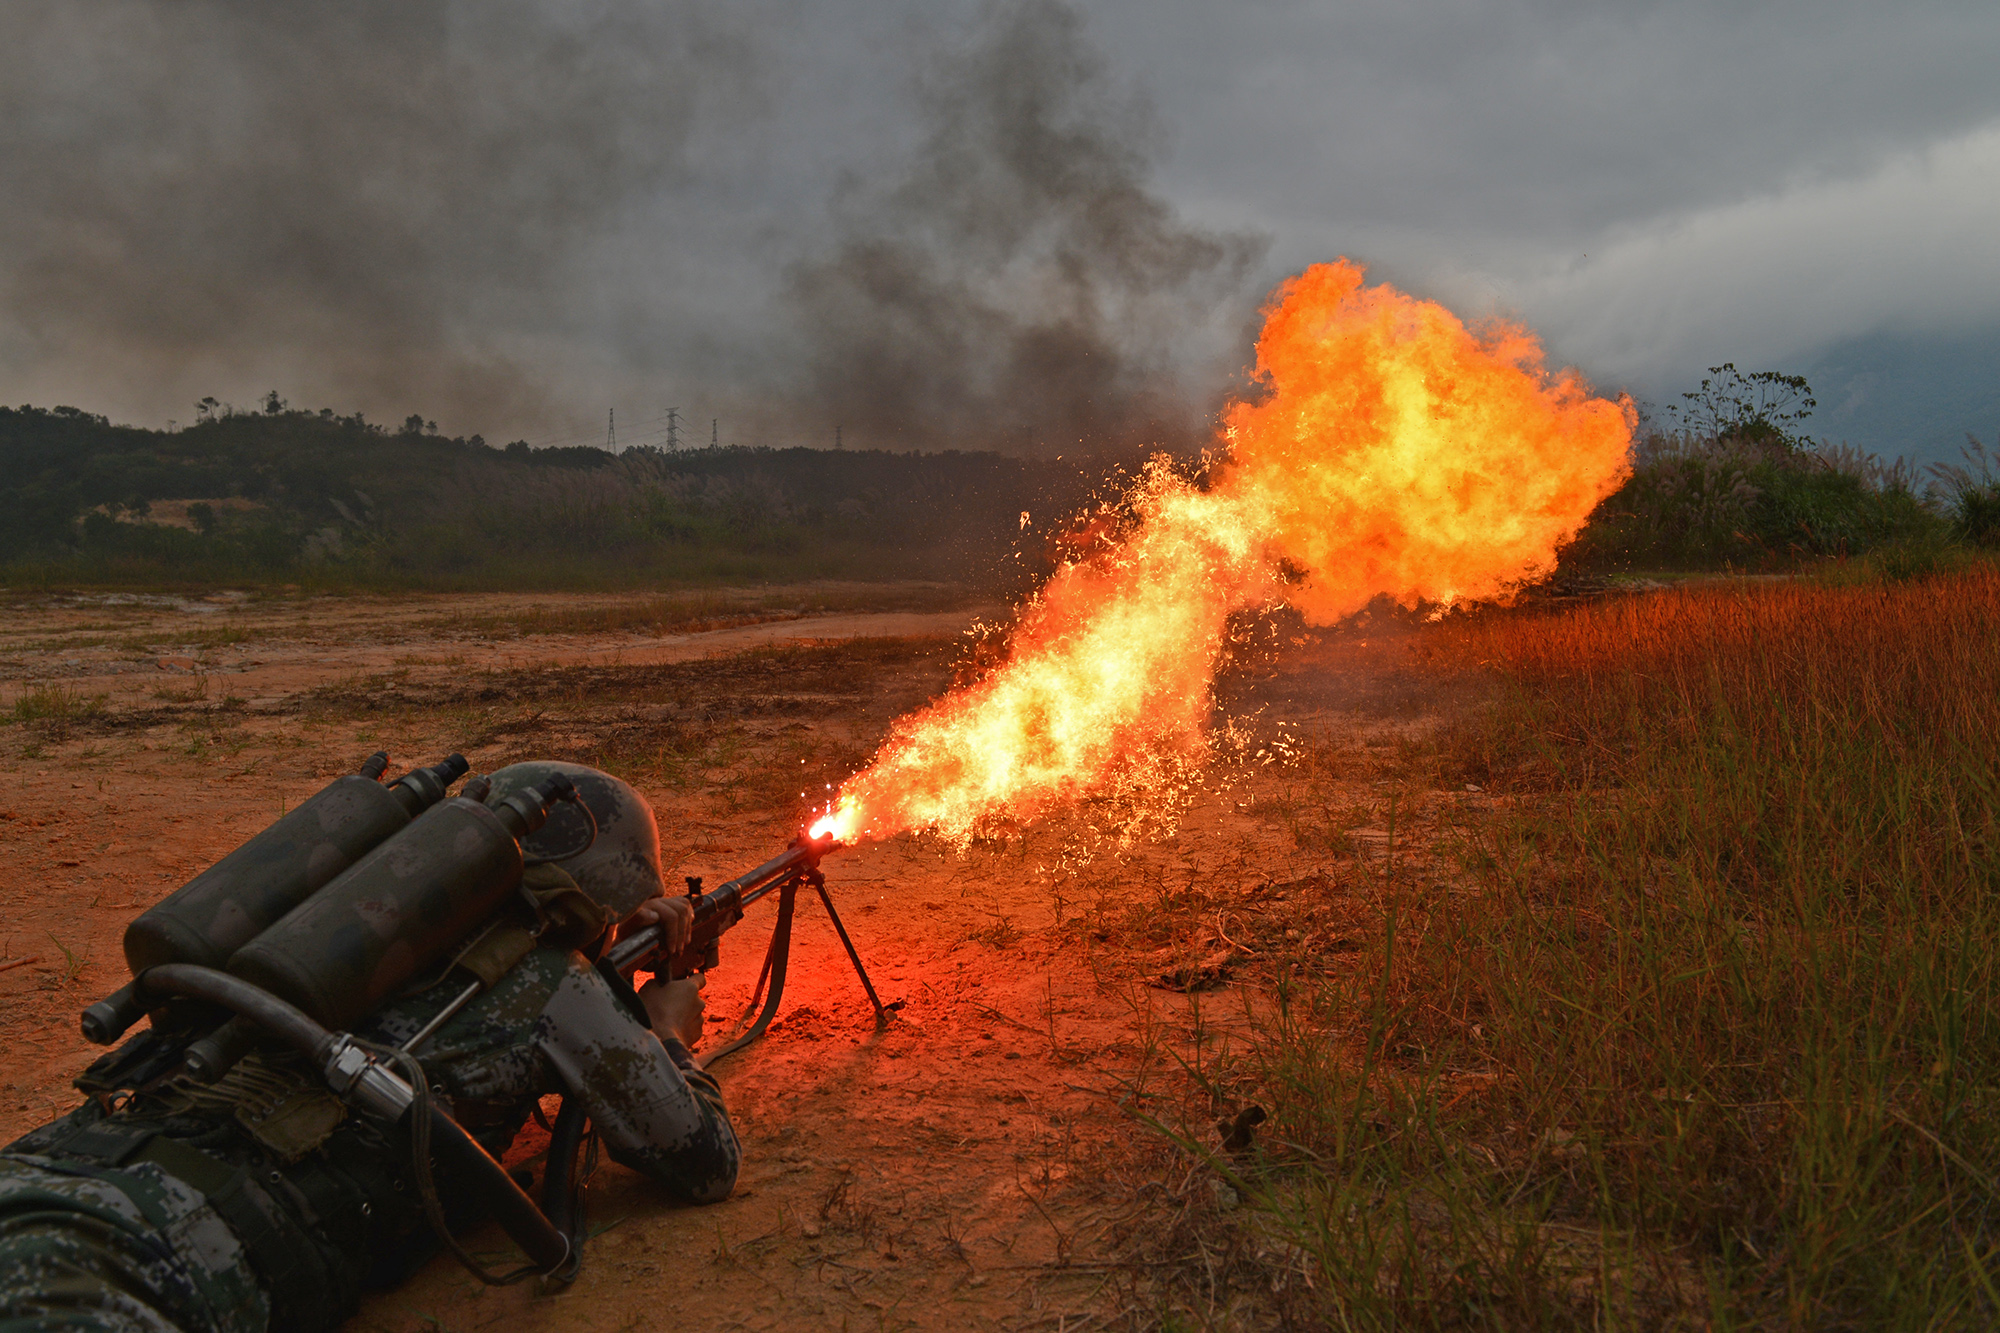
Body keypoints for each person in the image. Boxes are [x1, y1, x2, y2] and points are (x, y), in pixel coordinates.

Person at [0, 762, 735, 1333]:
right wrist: (664, 1029)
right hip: (152, 1247)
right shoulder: (551, 980)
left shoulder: (328, 930)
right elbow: (701, 1162)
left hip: (54, 1164)